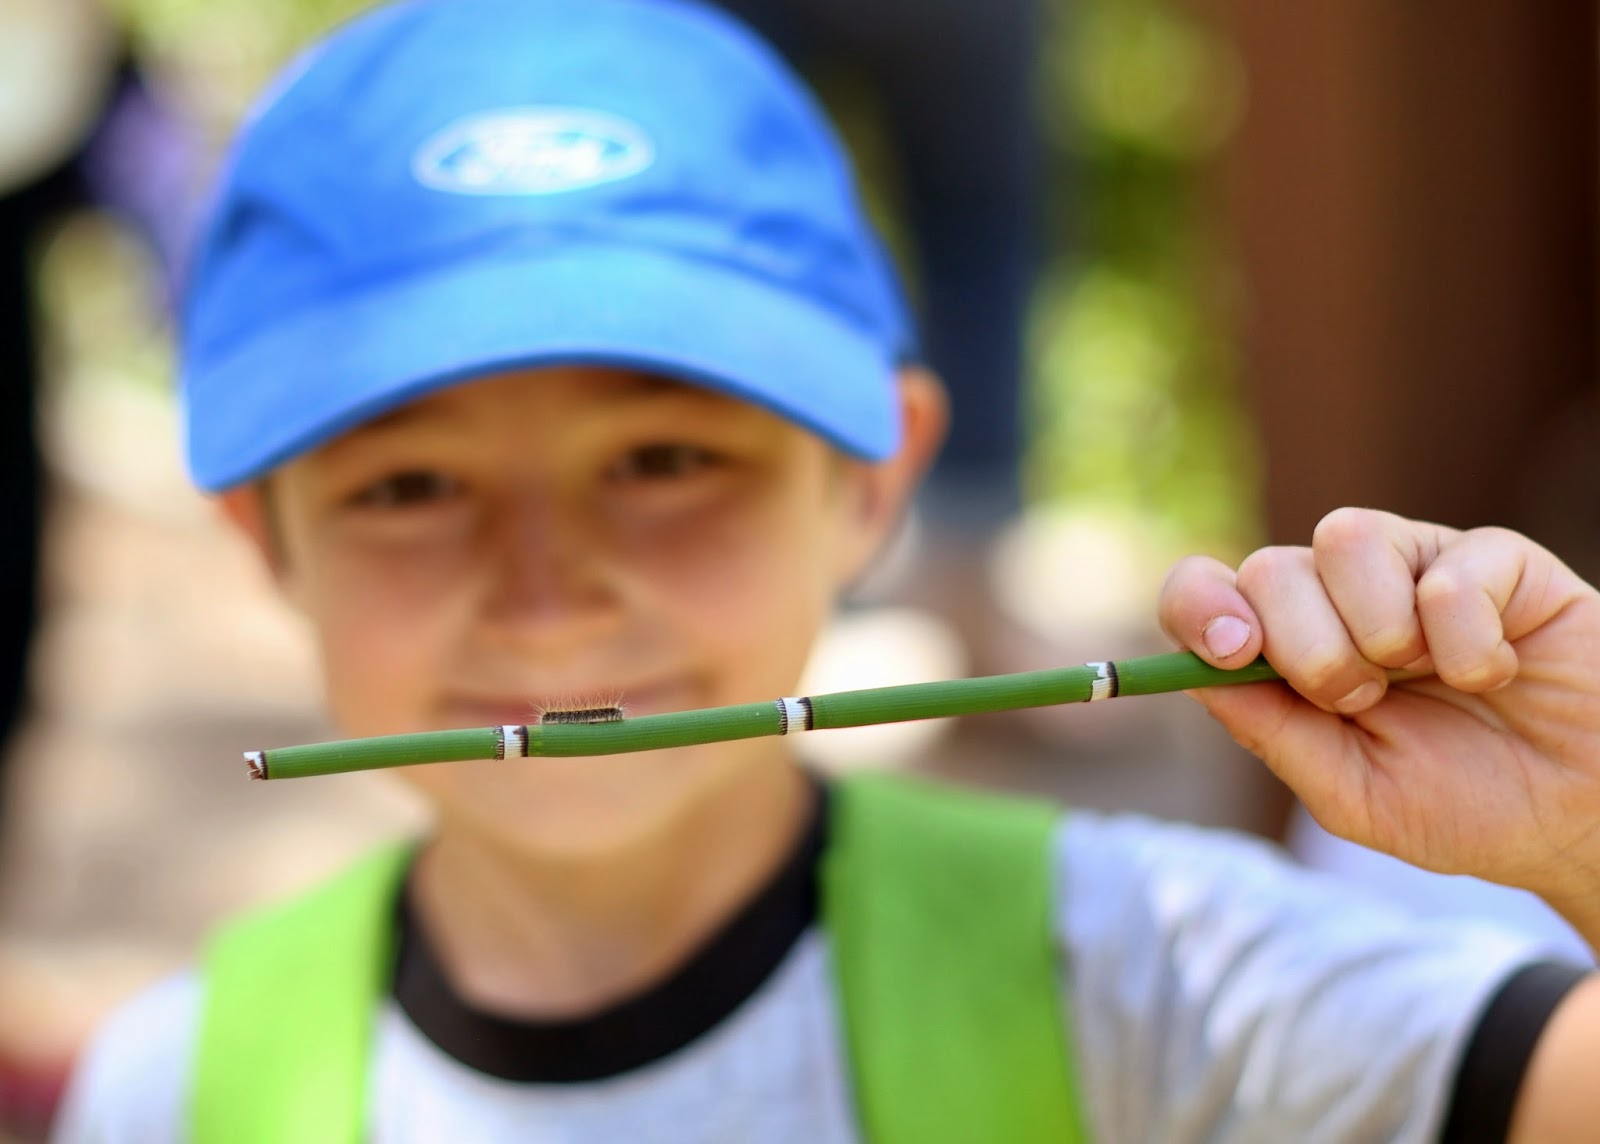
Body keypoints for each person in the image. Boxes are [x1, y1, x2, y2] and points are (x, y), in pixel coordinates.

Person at [51, 0, 1600, 1140]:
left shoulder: (1147, 973)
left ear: (873, 477)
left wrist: (1585, 836)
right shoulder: (173, 1091)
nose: (548, 590)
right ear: (263, 537)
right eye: (409, 486)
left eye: (666, 460)